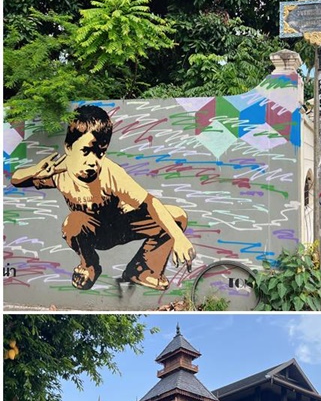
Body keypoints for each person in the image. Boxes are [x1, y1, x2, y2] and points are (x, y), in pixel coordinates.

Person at [10, 105, 194, 291]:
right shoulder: (58, 172)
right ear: (68, 147)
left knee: (176, 217)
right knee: (73, 222)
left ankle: (143, 270)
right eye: (86, 151)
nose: (93, 160)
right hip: (93, 233)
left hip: (122, 226)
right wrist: (36, 170)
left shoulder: (110, 172)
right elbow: (17, 180)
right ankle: (89, 265)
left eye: (100, 152)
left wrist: (178, 237)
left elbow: (150, 203)